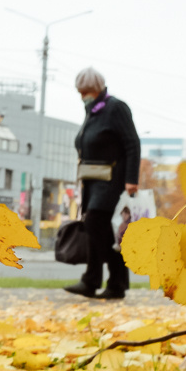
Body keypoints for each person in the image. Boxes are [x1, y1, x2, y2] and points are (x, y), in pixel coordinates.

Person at [65, 67, 139, 300]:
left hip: (112, 181)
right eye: (80, 92)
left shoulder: (115, 107)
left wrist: (131, 180)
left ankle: (98, 281)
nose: (82, 96)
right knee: (101, 232)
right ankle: (105, 283)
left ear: (97, 89)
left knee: (98, 225)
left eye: (86, 91)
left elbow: (132, 144)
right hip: (92, 182)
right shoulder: (92, 112)